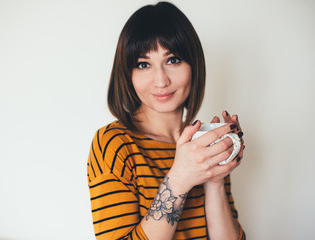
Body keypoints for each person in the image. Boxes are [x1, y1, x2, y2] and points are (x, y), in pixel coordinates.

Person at [87, 2, 246, 239]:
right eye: (143, 64)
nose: (161, 81)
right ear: (127, 74)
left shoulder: (203, 145)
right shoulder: (113, 145)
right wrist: (179, 179)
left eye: (172, 60)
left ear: (194, 65)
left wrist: (214, 181)